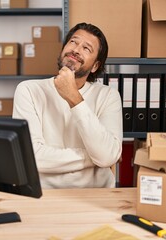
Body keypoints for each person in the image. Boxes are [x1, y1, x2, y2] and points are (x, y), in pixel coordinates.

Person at [12, 22, 123, 188]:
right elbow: (31, 157)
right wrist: (93, 158)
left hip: (95, 195)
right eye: (73, 42)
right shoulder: (29, 90)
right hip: (44, 194)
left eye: (87, 48)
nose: (76, 50)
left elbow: (107, 157)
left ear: (95, 66)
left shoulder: (108, 96)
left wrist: (74, 98)